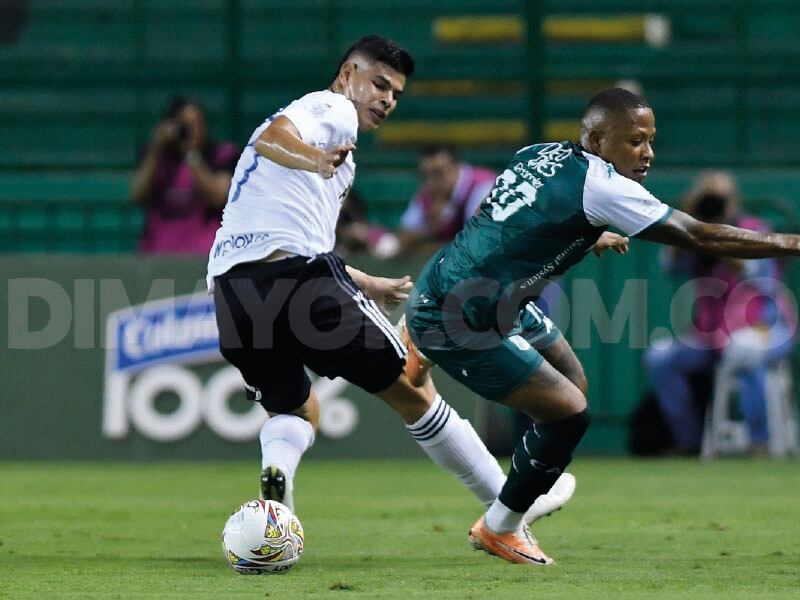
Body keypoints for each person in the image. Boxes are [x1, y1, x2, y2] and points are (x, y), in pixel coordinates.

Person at [403, 87, 800, 565]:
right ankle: (502, 524)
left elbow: (515, 219)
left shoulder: (539, 152)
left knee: (573, 384)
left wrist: (587, 235)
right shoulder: (604, 186)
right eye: (634, 141)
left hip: (484, 292)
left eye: (651, 140)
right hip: (462, 313)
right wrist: (791, 241)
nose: (647, 152)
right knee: (570, 413)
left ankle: (522, 489)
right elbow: (700, 235)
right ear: (594, 137)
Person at [206, 36, 573, 528]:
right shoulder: (329, 108)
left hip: (233, 294)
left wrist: (364, 280)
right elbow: (275, 137)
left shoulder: (338, 158)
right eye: (378, 84)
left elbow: (294, 238)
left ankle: (276, 484)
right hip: (298, 280)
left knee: (297, 410)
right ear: (346, 75)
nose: (386, 99)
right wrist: (315, 160)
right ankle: (511, 503)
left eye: (395, 93)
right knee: (413, 388)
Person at [644, 171, 795, 454]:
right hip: (709, 334)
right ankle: (689, 442)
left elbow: (755, 272)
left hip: (764, 328)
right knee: (659, 358)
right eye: (708, 198)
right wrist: (687, 226)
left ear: (734, 201)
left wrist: (720, 237)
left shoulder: (754, 229)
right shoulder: (692, 234)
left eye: (720, 199)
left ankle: (758, 442)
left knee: (744, 350)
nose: (714, 204)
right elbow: (669, 267)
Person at [132, 97, 239, 254]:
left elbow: (217, 196)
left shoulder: (220, 155)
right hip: (159, 252)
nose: (192, 131)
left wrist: (191, 153)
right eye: (185, 125)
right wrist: (156, 148)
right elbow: (137, 194)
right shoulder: (156, 157)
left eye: (197, 123)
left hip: (203, 255)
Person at [391, 145, 496, 257]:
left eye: (438, 174)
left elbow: (478, 244)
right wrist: (429, 227)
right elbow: (400, 242)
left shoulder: (483, 186)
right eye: (425, 176)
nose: (431, 182)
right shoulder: (427, 194)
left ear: (457, 167)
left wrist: (422, 246)